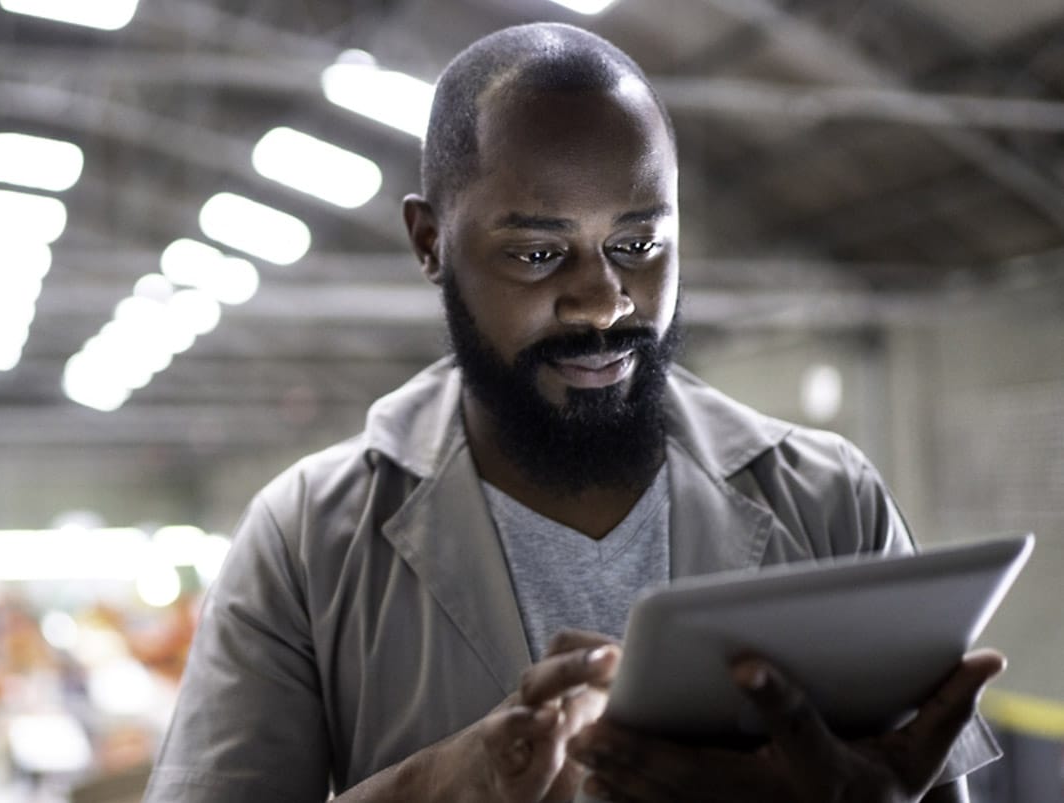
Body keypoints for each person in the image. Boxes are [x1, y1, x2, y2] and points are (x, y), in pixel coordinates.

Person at [143, 22, 1003, 803]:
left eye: (638, 245)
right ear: (428, 241)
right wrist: (455, 781)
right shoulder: (306, 538)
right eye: (537, 252)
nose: (601, 301)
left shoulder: (829, 500)